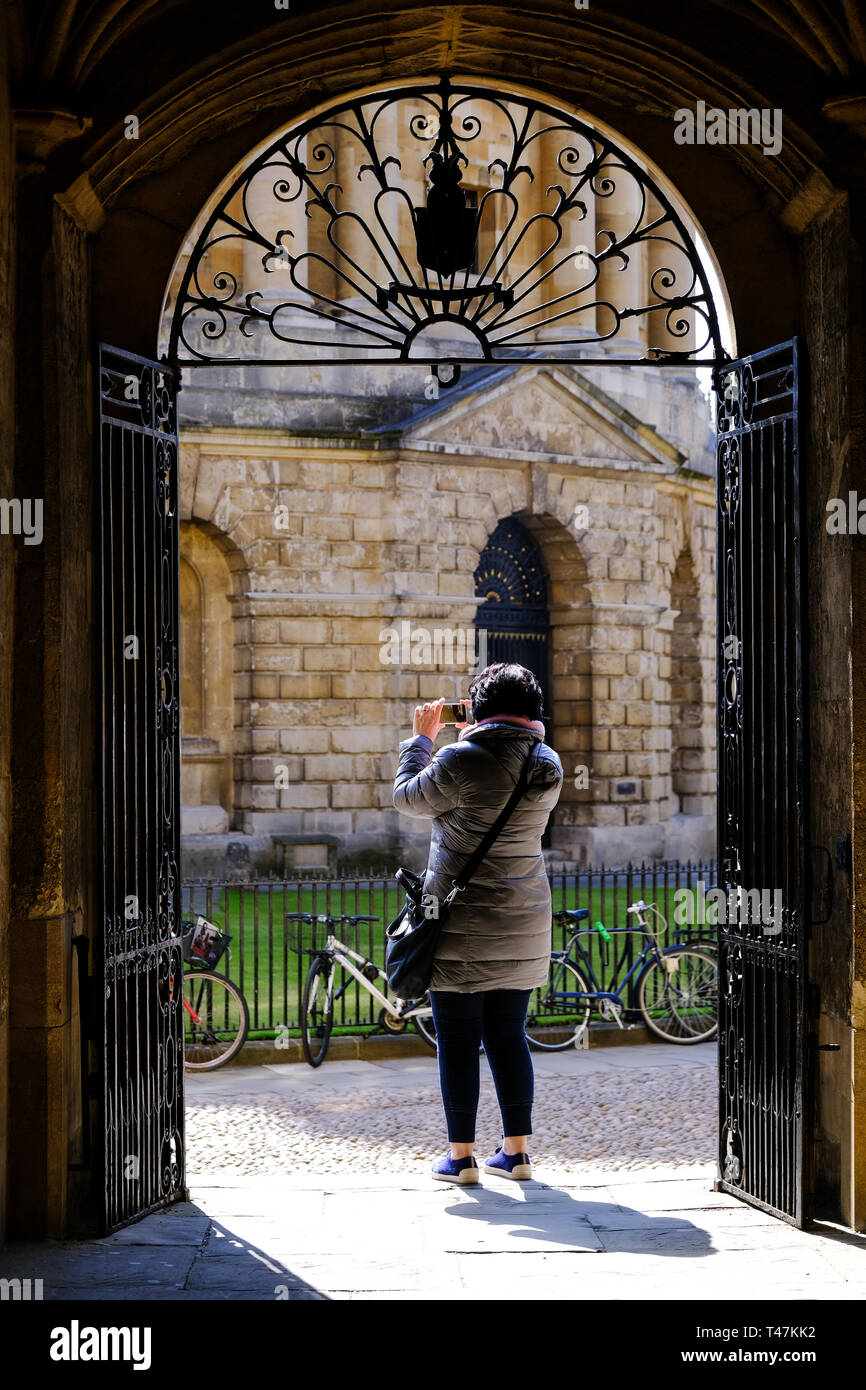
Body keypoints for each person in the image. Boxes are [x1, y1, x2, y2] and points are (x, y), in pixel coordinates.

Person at [392, 662, 563, 1184]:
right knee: (510, 1036)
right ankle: (516, 1153)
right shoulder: (548, 763)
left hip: (460, 924)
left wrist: (421, 741)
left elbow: (406, 797)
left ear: (477, 710)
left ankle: (461, 1155)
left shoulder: (459, 758)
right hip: (524, 919)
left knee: (458, 1041)